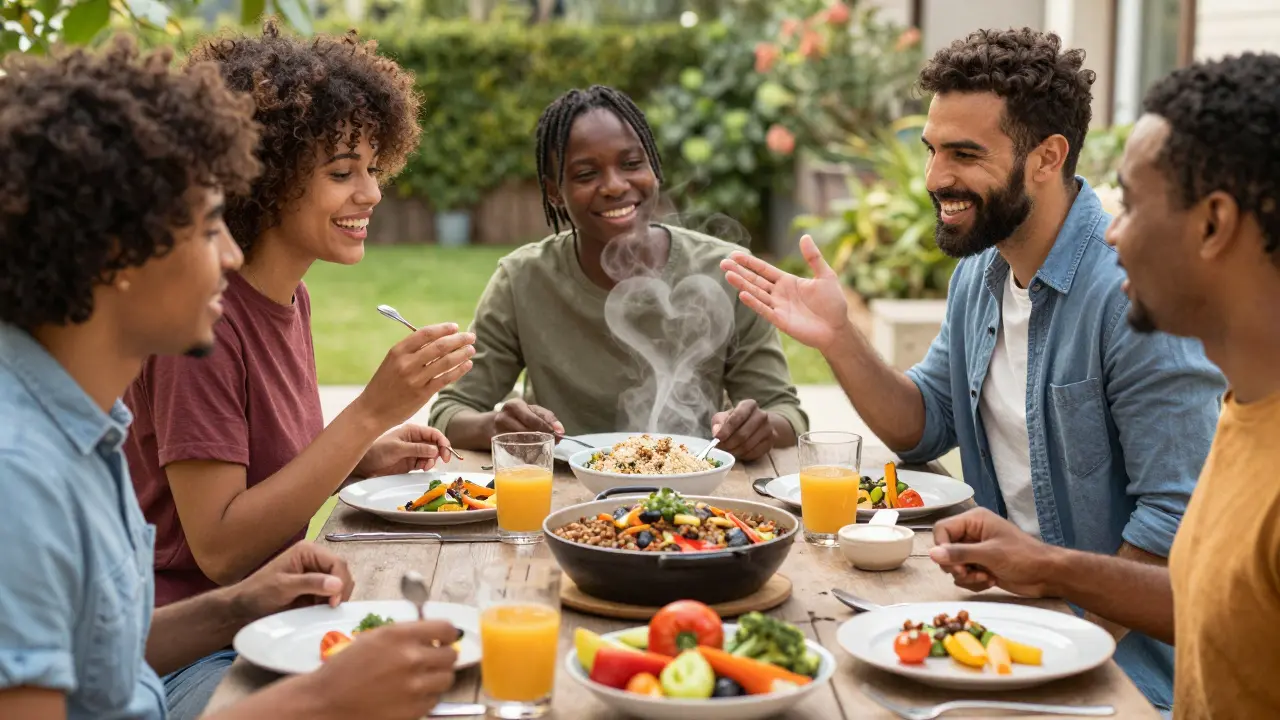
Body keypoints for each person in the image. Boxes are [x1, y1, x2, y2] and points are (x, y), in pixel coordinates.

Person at [720, 28, 1225, 710]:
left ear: (1048, 158)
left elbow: (1175, 529)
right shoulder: (983, 276)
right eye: (932, 150)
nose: (934, 179)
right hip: (1002, 622)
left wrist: (1039, 656)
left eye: (964, 154)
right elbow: (922, 425)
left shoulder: (1131, 299)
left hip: (1117, 676)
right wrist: (839, 337)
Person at [0, 36, 458, 720]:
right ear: (120, 250)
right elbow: (215, 548)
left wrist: (243, 604)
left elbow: (105, 657)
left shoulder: (85, 428)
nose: (234, 253)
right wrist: (324, 698)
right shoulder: (22, 475)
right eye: (211, 226)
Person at [120, 20, 475, 716]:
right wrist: (369, 412)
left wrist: (361, 456)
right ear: (263, 180)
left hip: (275, 619)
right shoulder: (205, 326)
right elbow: (221, 547)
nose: (370, 193)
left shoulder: (290, 298)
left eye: (374, 168)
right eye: (342, 172)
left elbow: (262, 469)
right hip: (189, 655)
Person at [928, 51, 1280, 719]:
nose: (1111, 231)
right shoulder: (1245, 410)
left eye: (1134, 203)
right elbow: (1206, 601)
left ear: (1213, 225)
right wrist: (1047, 568)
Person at [430, 85, 807, 461]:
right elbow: (451, 410)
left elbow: (788, 416)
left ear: (654, 168)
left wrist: (759, 429)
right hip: (560, 495)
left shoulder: (726, 270)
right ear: (554, 192)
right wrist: (494, 425)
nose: (614, 185)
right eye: (586, 173)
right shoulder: (522, 280)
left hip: (694, 495)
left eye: (631, 164)